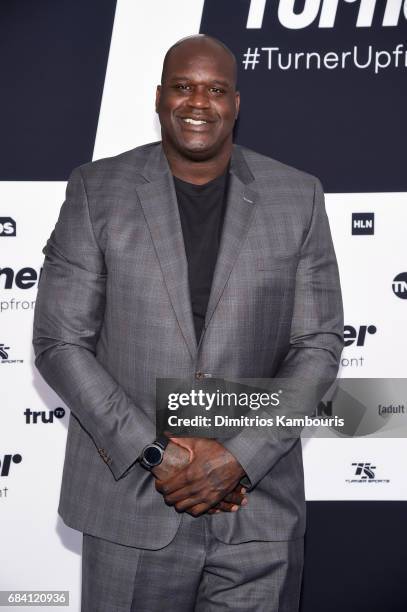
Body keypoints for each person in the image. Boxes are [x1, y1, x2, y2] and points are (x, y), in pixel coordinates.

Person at [33, 34, 343, 611]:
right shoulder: (96, 192)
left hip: (258, 509)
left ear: (236, 103)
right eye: (183, 86)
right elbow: (60, 342)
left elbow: (317, 345)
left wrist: (238, 458)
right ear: (158, 97)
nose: (198, 102)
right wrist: (159, 453)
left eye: (215, 89)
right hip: (132, 505)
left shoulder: (297, 196)